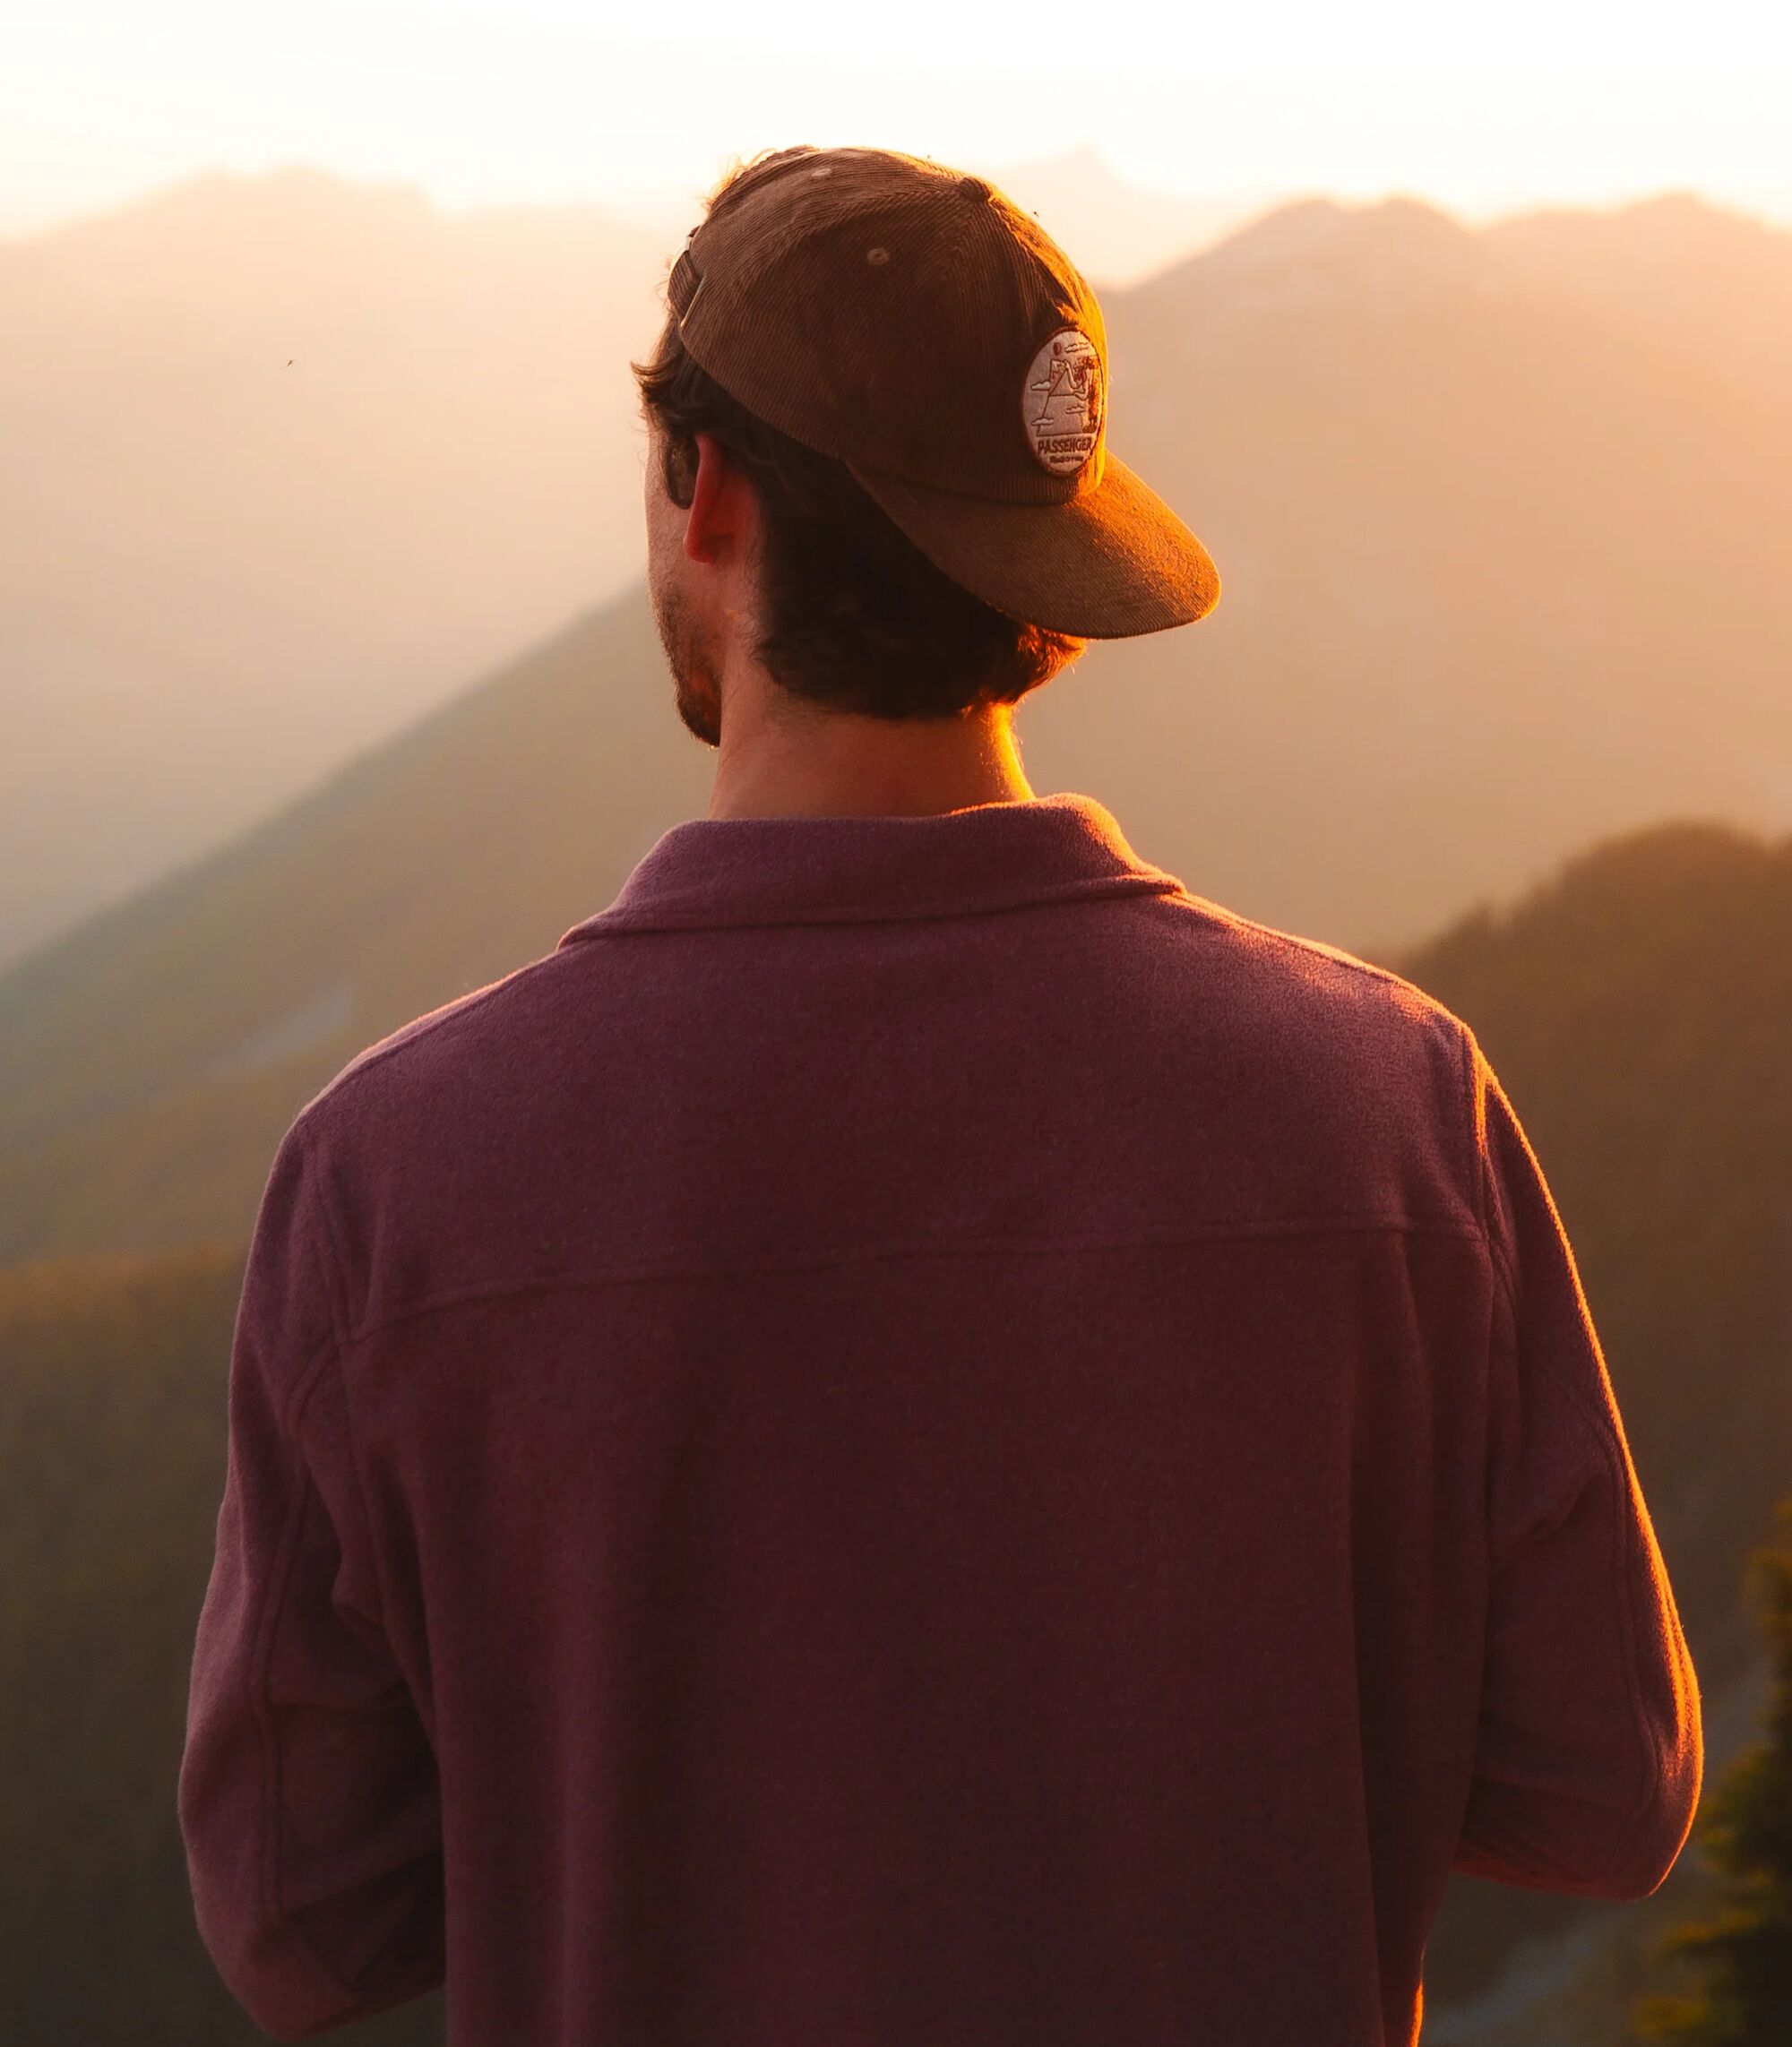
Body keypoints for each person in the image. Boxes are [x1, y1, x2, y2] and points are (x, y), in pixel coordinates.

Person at [178, 143, 1702, 2047]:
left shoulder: (393, 1181)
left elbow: (301, 1924)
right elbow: (1600, 1788)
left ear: (701, 490)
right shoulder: (1389, 1112)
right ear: (1044, 558)